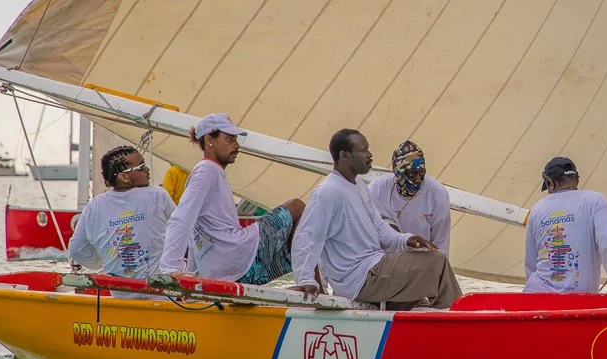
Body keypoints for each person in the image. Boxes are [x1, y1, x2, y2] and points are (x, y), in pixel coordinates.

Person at [291, 129, 462, 310]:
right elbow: (307, 236)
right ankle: (456, 320)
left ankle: (437, 321)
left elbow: (379, 228)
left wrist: (406, 239)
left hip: (374, 268)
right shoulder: (328, 191)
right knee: (437, 261)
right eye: (363, 150)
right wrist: (306, 279)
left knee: (418, 301)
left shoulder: (360, 187)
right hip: (362, 276)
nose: (370, 155)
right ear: (344, 155)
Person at [157, 113, 308, 285]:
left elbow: (196, 234)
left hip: (223, 271)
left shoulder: (208, 172)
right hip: (239, 258)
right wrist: (169, 269)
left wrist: (193, 275)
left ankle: (307, 281)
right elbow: (181, 218)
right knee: (298, 206)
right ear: (209, 139)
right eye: (229, 139)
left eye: (235, 139)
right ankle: (311, 284)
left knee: (293, 240)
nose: (236, 145)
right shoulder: (207, 172)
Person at [523, 157, 607, 305]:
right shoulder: (595, 201)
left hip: (536, 297)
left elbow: (530, 263)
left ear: (550, 183)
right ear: (576, 180)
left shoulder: (536, 210)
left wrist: (533, 301)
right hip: (579, 302)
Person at [69, 145, 175, 280]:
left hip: (119, 293)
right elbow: (182, 230)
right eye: (141, 167)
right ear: (124, 177)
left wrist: (106, 260)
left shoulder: (95, 205)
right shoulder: (157, 195)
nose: (147, 169)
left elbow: (76, 249)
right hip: (159, 294)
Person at [369, 140, 451, 255]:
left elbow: (441, 245)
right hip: (383, 261)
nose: (418, 179)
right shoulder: (376, 190)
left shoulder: (438, 194)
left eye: (422, 172)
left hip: (420, 261)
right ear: (398, 173)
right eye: (412, 173)